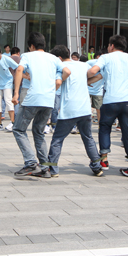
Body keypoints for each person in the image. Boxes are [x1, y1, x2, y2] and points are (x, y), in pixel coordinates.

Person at [87, 35, 128, 175]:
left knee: (105, 127)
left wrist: (84, 77)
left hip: (111, 100)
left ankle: (104, 159)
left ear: (111, 46)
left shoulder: (106, 57)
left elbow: (93, 71)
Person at [11, 32, 69, 178]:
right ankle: (44, 168)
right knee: (38, 132)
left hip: (33, 98)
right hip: (48, 101)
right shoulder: (53, 58)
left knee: (18, 129)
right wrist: (56, 86)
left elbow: (19, 70)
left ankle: (31, 163)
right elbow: (67, 71)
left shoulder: (27, 55)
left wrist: (16, 93)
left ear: (31, 46)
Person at [46, 45, 103, 177]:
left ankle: (53, 169)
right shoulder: (83, 65)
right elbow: (98, 76)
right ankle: (97, 167)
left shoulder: (61, 67)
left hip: (69, 110)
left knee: (57, 139)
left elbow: (58, 82)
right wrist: (85, 82)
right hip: (85, 109)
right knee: (88, 138)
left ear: (59, 58)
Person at [87, 49, 106, 125]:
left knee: (99, 109)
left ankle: (100, 125)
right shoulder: (90, 62)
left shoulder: (105, 65)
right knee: (85, 108)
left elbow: (102, 76)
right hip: (87, 89)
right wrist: (86, 82)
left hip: (98, 90)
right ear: (98, 56)